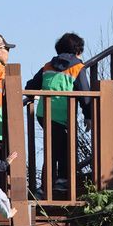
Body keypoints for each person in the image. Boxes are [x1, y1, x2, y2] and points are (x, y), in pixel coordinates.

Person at [26, 33, 91, 193]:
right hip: (63, 114)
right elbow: (85, 93)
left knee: (53, 147)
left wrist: (31, 94)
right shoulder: (77, 67)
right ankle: (57, 183)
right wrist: (88, 115)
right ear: (77, 51)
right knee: (66, 147)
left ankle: (49, 184)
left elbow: (30, 85)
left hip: (44, 113)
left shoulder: (47, 66)